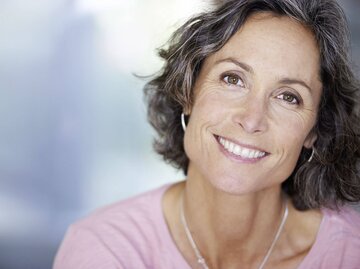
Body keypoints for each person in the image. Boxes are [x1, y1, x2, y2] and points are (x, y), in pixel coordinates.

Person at [54, 0, 360, 268]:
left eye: (288, 97)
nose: (252, 119)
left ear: (314, 131)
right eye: (233, 79)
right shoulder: (103, 249)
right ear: (188, 91)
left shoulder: (351, 252)